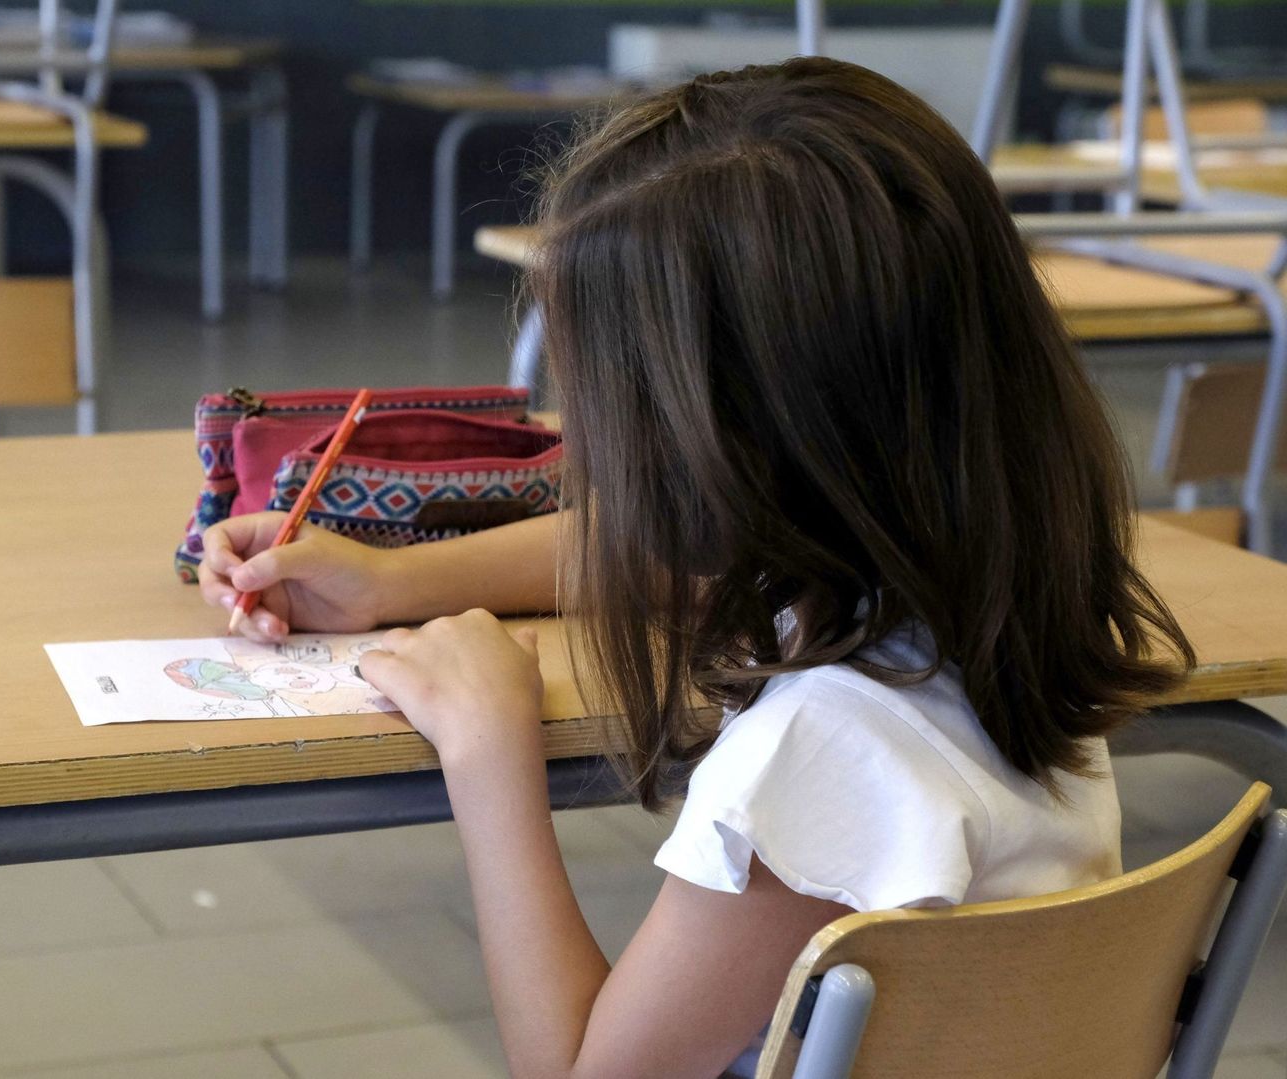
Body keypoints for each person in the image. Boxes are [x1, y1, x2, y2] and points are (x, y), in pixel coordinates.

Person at [197, 58, 1194, 1079]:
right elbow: (687, 561)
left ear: (726, 446)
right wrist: (393, 582)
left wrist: (488, 751)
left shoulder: (823, 755)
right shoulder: (988, 597)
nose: (585, 438)